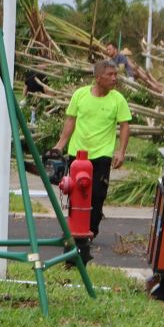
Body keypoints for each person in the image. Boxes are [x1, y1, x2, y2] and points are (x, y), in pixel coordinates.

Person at [52, 56, 134, 246]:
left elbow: (124, 126)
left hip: (102, 155)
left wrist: (121, 151)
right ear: (98, 78)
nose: (114, 78)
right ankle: (74, 230)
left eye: (116, 74)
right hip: (78, 154)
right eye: (110, 75)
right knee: (74, 194)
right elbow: (70, 120)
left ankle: (90, 231)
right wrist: (60, 145)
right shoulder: (80, 95)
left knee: (97, 195)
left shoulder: (118, 99)